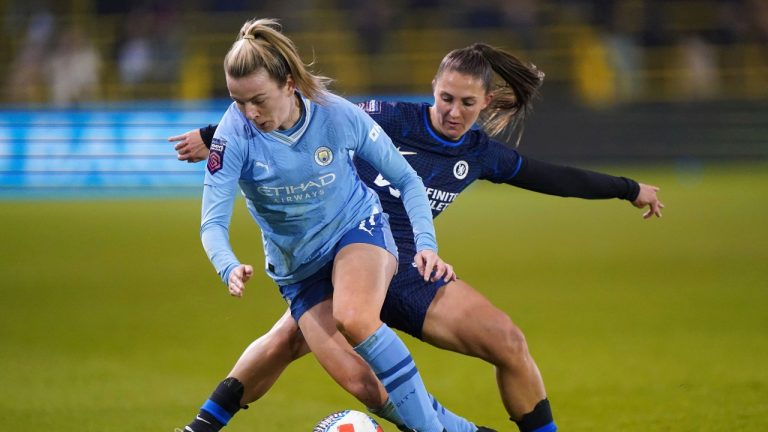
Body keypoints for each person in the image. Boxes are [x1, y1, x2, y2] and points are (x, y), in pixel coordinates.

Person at [171, 43, 664, 432]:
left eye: (467, 103)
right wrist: (215, 133)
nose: (452, 111)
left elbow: (553, 177)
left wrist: (627, 189)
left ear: (485, 102)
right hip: (332, 250)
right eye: (445, 97)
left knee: (508, 342)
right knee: (327, 364)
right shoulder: (387, 115)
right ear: (433, 88)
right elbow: (297, 111)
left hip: (403, 265)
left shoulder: (482, 154)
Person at [194, 17, 459, 432]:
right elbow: (211, 223)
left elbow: (408, 179)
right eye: (237, 101)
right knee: (363, 385)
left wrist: (426, 243)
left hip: (357, 230)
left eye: (257, 100)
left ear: (287, 84)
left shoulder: (335, 115)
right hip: (298, 269)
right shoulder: (233, 135)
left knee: (353, 316)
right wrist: (227, 265)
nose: (248, 112)